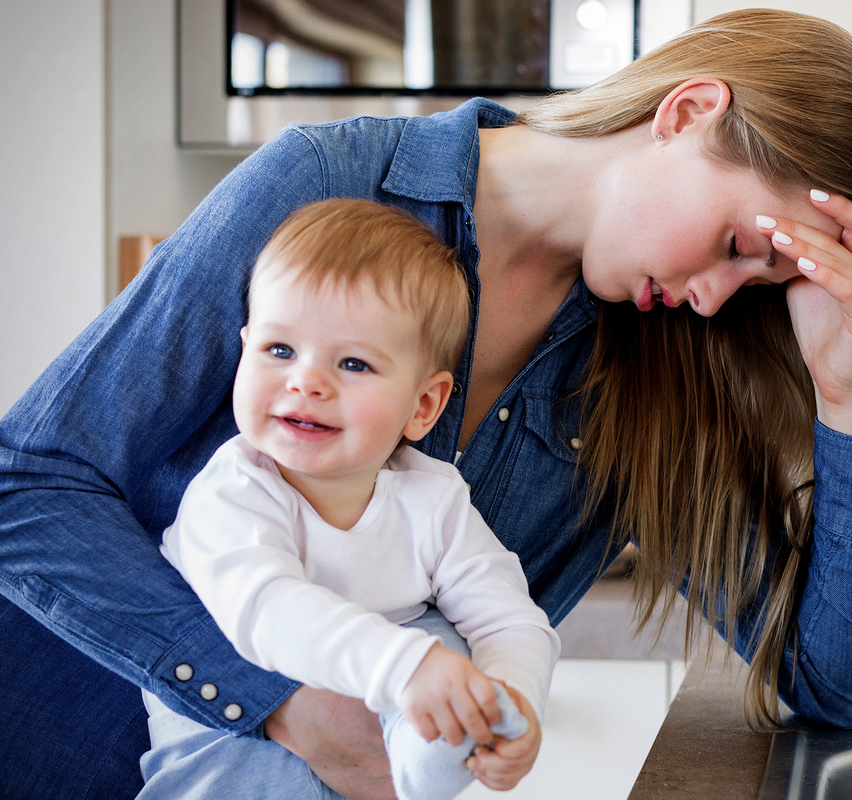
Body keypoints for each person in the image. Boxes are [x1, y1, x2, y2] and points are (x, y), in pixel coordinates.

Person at [0, 8, 852, 799]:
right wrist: (280, 707)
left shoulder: (662, 371)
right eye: (733, 247)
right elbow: (18, 491)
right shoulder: (328, 182)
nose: (717, 295)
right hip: (25, 743)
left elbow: (828, 690)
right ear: (688, 111)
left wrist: (844, 396)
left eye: (757, 283)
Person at [136, 198, 558, 800]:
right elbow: (268, 611)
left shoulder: (433, 500)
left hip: (373, 742)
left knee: (451, 642)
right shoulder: (233, 492)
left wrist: (509, 701)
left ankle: (438, 745)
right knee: (425, 650)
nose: (306, 380)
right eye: (280, 351)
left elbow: (510, 617)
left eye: (354, 363)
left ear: (423, 407)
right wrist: (405, 668)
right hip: (230, 744)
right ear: (246, 347)